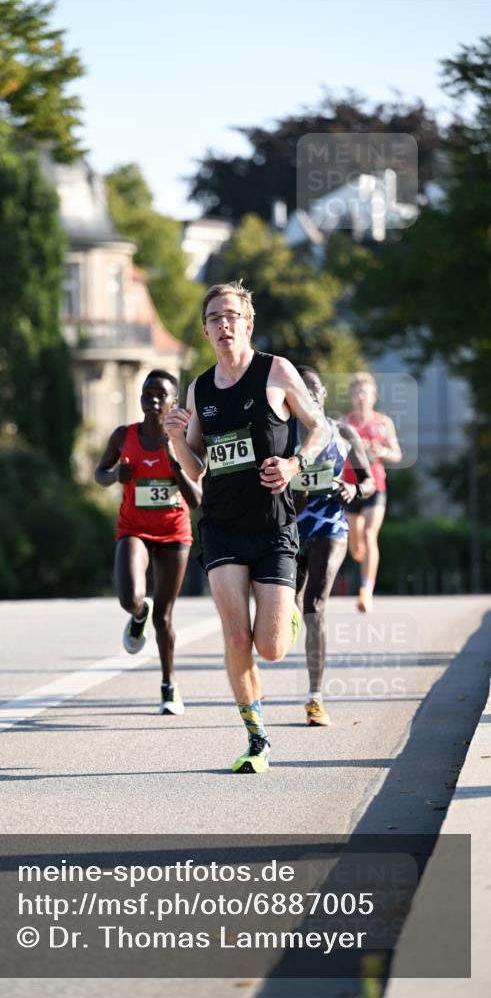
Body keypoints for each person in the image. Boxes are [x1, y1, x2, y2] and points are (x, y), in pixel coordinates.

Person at [164, 282, 330, 773]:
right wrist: (176, 438)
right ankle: (257, 737)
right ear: (206, 329)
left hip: (274, 525)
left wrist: (296, 464)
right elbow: (195, 468)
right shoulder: (200, 388)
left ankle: (291, 611)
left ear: (248, 322)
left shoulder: (276, 371)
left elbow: (320, 427)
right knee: (236, 637)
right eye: (213, 318)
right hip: (221, 526)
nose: (223, 325)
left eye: (231, 315)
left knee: (272, 648)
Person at [95, 370, 202, 715]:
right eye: (147, 393)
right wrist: (113, 476)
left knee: (166, 618)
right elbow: (99, 472)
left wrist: (174, 461)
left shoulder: (184, 441)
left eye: (161, 395)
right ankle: (139, 612)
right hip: (134, 529)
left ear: (173, 403)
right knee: (130, 598)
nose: (153, 399)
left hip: (174, 533)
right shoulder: (123, 436)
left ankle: (169, 687)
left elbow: (197, 498)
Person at [292, 366, 375, 727]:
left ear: (323, 393)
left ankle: (315, 697)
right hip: (290, 532)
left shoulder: (342, 433)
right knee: (285, 608)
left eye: (314, 390)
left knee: (314, 605)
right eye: (301, 390)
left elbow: (370, 480)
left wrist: (355, 490)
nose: (309, 395)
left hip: (330, 527)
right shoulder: (281, 436)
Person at [341, 372, 402, 613]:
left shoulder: (383, 423)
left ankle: (366, 590)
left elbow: (397, 454)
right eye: (356, 393)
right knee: (356, 548)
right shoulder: (344, 423)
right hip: (351, 488)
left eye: (364, 393)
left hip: (375, 486)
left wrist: (381, 451)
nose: (360, 397)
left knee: (369, 535)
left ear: (373, 396)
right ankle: (362, 561)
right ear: (352, 397)